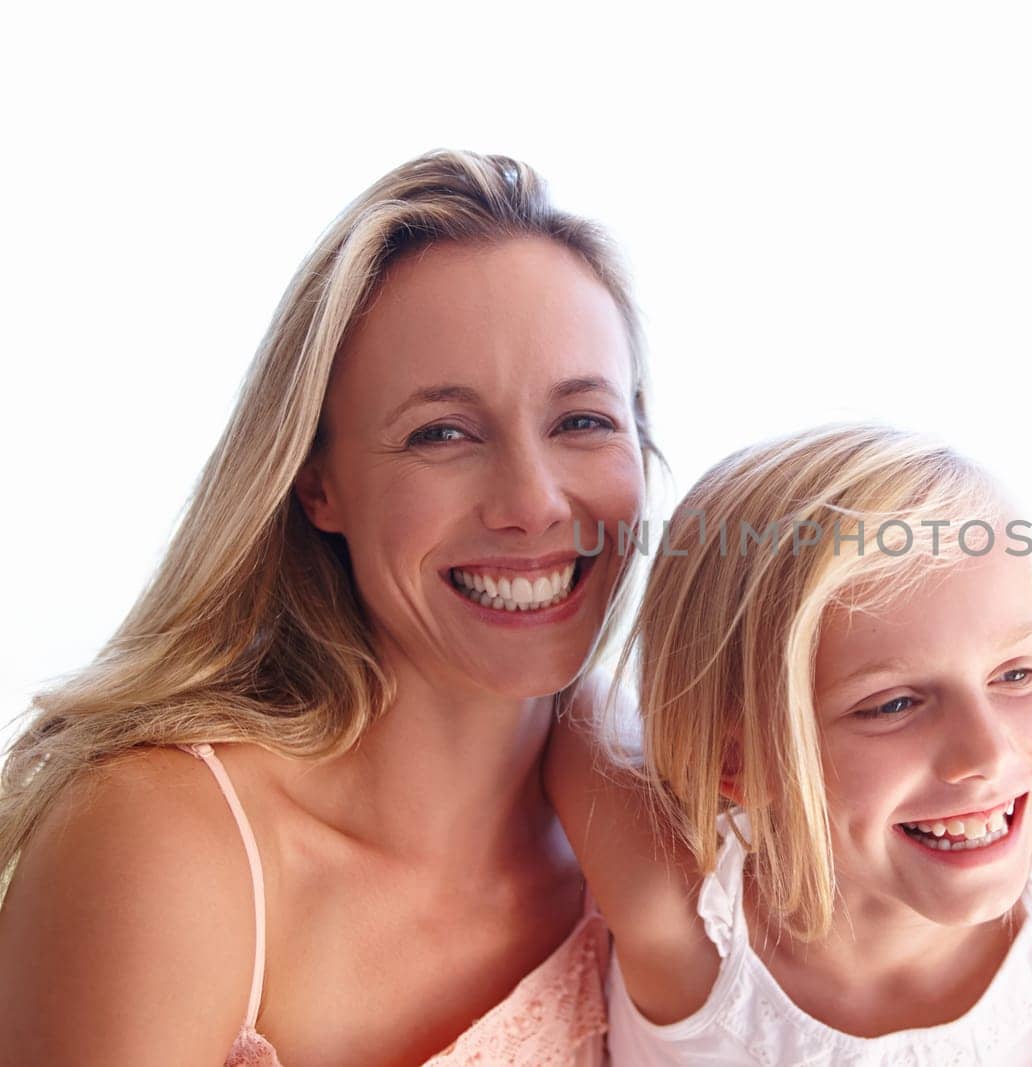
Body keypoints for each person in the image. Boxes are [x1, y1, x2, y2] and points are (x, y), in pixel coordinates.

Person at [0, 150, 659, 1065]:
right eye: (442, 432)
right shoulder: (166, 847)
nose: (534, 502)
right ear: (318, 485)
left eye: (582, 421)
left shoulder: (668, 865)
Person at [547, 425, 1032, 1065]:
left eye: (1015, 674)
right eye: (893, 705)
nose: (986, 754)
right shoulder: (681, 926)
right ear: (737, 762)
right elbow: (555, 688)